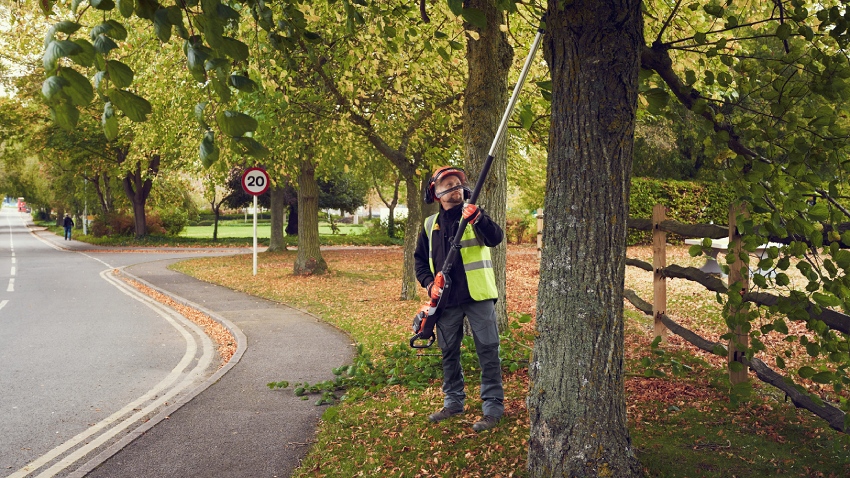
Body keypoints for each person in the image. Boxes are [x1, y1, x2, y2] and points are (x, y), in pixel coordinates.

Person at [414, 166, 505, 433]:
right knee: (449, 351)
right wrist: (430, 284)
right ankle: (453, 402)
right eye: (447, 184)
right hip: (445, 300)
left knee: (488, 349)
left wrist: (478, 219)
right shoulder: (430, 224)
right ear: (436, 192)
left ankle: (492, 407)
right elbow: (420, 261)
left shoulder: (474, 214)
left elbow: (496, 238)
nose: (453, 188)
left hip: (478, 296)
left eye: (457, 184)